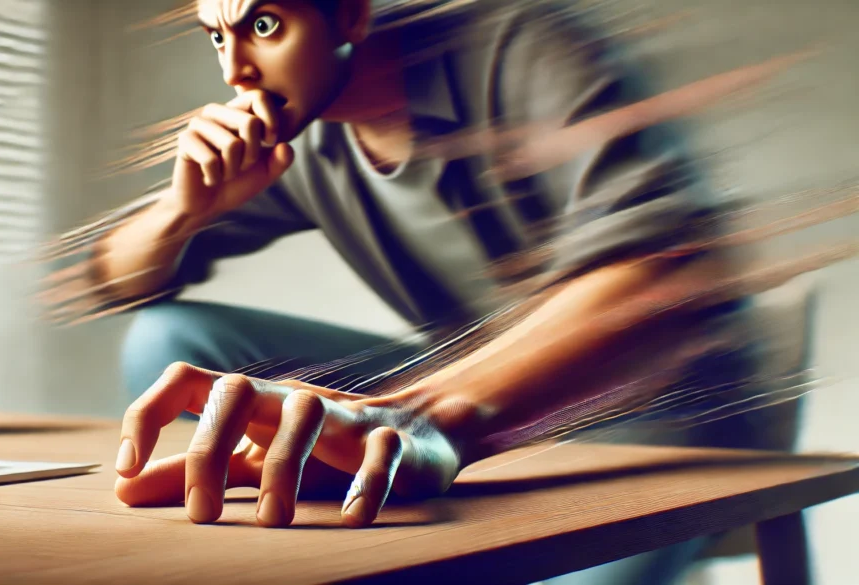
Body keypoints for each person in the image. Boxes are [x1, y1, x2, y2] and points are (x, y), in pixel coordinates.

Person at [77, 1, 787, 583]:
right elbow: (111, 275)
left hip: (645, 402)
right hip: (464, 382)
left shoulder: (521, 44)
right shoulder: (303, 137)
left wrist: (422, 412)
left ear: (351, 14)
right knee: (171, 338)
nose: (236, 71)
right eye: (216, 37)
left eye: (264, 26)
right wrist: (182, 214)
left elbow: (662, 271)